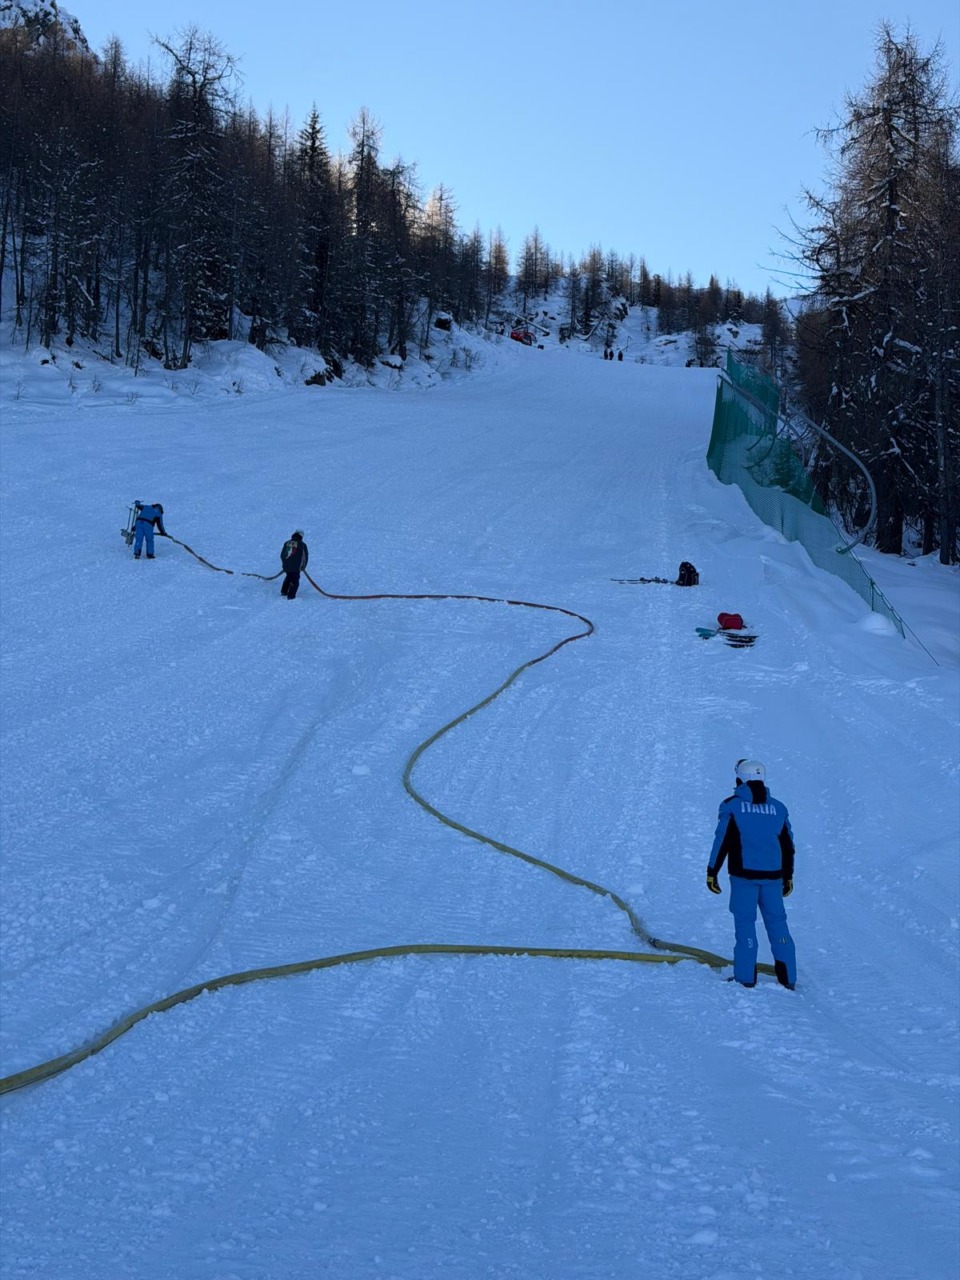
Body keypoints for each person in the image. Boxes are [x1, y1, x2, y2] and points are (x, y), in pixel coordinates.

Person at [706, 759, 797, 989]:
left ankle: (746, 977)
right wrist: (788, 876)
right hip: (773, 879)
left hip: (743, 878)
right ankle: (788, 977)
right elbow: (788, 846)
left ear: (740, 779)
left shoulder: (732, 806)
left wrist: (712, 872)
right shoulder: (778, 808)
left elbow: (722, 841)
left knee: (745, 924)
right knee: (778, 924)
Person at [280, 530, 309, 599]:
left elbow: (282, 555)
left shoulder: (287, 543)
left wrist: (285, 565)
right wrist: (303, 567)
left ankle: (284, 591)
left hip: (287, 566)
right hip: (296, 567)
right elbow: (305, 557)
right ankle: (291, 596)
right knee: (295, 580)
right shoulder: (302, 545)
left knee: (288, 577)